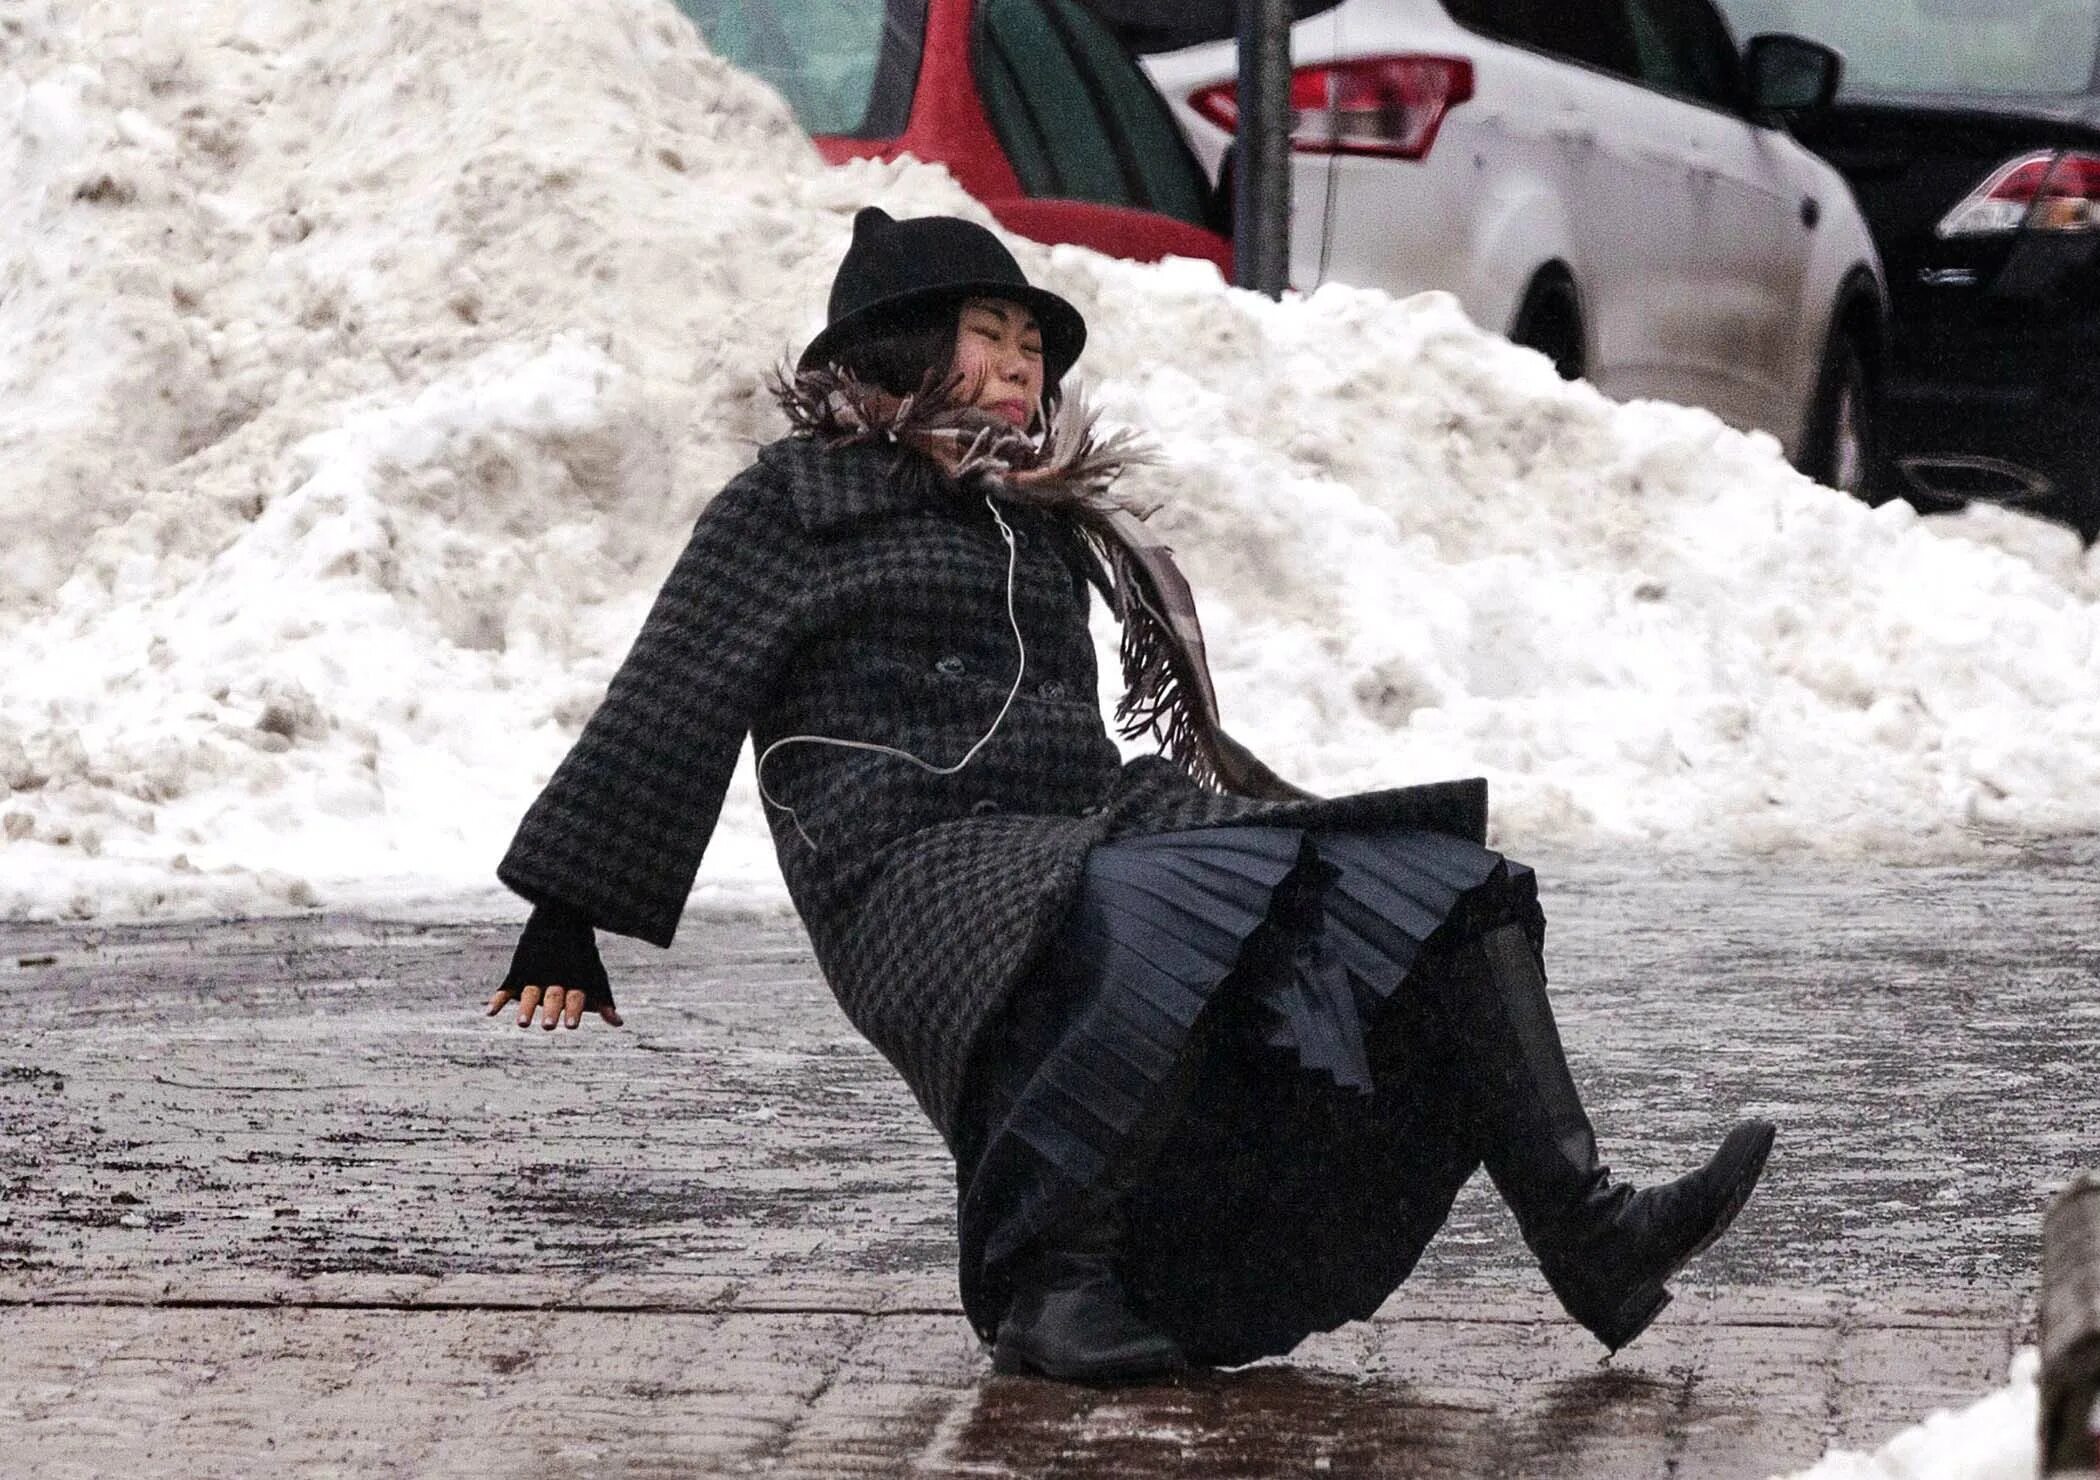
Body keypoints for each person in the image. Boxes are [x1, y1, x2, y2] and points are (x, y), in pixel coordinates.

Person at [486, 206, 1776, 1384]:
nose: (1020, 366)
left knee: (1429, 878)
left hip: (1074, 840)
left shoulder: (1041, 516)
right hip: (904, 862)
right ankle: (1046, 1287)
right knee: (1159, 903)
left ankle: (1591, 1233)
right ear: (898, 352)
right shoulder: (792, 504)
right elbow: (675, 690)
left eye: (1031, 345)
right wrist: (569, 910)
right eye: (985, 337)